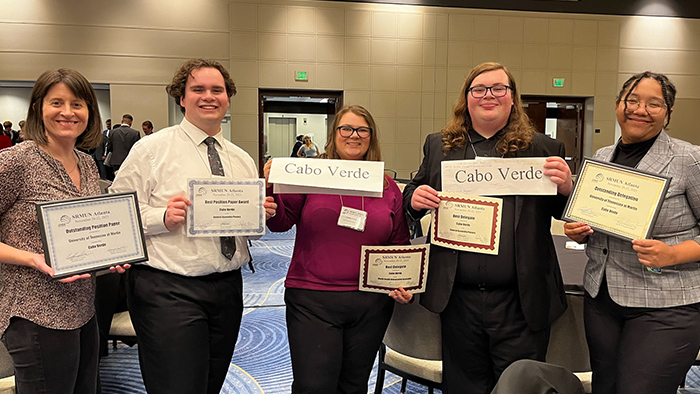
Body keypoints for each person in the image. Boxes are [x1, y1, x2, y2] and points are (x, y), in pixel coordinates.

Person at [402, 62, 573, 394]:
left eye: (499, 88)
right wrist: (414, 198)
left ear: (512, 99)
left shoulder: (544, 149)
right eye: (478, 89)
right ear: (466, 98)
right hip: (458, 302)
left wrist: (568, 189)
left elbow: (563, 214)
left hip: (521, 302)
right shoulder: (439, 146)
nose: (488, 96)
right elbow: (414, 190)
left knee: (521, 387)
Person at [110, 58, 277, 394]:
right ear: (182, 97)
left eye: (217, 90)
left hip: (228, 287)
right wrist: (161, 218)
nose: (208, 96)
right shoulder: (151, 150)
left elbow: (250, 232)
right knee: (178, 387)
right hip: (168, 289)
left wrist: (261, 216)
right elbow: (115, 215)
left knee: (210, 384)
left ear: (228, 98)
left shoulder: (241, 158)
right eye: (197, 89)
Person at [564, 71, 700, 394]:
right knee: (606, 387)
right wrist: (580, 230)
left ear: (667, 114)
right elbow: (597, 226)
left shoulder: (688, 159)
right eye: (633, 100)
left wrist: (673, 253)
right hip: (603, 300)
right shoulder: (600, 159)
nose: (641, 109)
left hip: (668, 306)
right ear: (618, 106)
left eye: (655, 104)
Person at [264, 104, 412, 394]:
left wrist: (406, 282)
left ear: (371, 137)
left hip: (371, 305)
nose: (353, 135)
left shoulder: (387, 186)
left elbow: (399, 244)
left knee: (353, 387)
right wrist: (271, 190)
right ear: (334, 134)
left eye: (362, 130)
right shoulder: (310, 174)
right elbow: (280, 223)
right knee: (313, 387)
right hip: (313, 300)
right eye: (346, 128)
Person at [0, 68, 127, 394]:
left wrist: (112, 251)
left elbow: (89, 226)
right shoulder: (16, 161)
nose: (68, 112)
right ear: (38, 109)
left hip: (84, 307)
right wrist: (31, 258)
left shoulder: (86, 163)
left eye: (78, 103)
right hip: (34, 312)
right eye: (56, 102)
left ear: (90, 112)